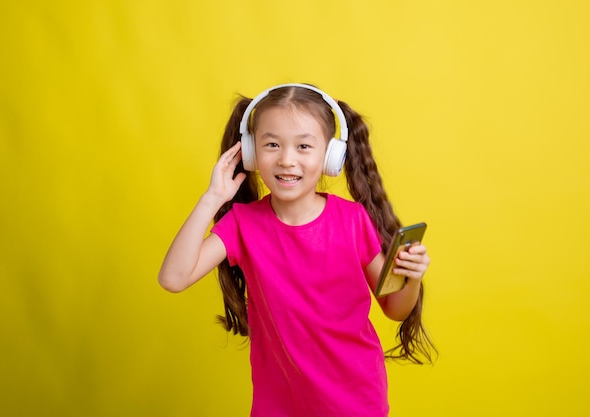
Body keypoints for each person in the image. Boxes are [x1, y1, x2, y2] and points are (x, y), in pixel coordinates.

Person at [158, 83, 435, 417]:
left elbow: (395, 308)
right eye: (272, 144)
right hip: (279, 404)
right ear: (251, 152)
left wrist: (412, 279)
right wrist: (212, 198)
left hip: (356, 400)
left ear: (331, 157)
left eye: (304, 146)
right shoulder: (242, 224)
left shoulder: (352, 220)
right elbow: (173, 278)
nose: (287, 160)